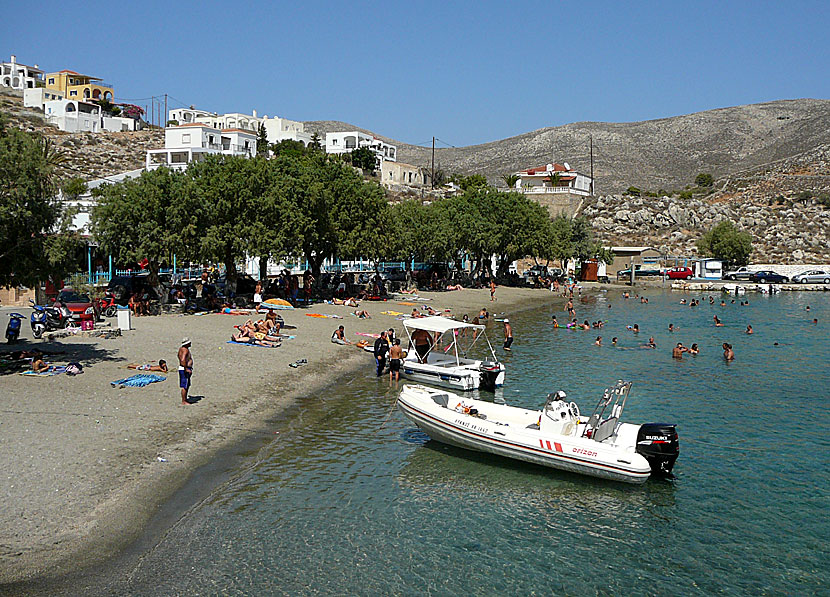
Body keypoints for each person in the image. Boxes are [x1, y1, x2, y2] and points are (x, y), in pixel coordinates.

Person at [178, 338, 194, 405]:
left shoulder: (181, 349)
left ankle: (185, 399)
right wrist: (186, 368)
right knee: (185, 385)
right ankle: (184, 401)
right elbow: (182, 359)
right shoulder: (185, 350)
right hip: (185, 369)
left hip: (183, 368)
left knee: (186, 385)